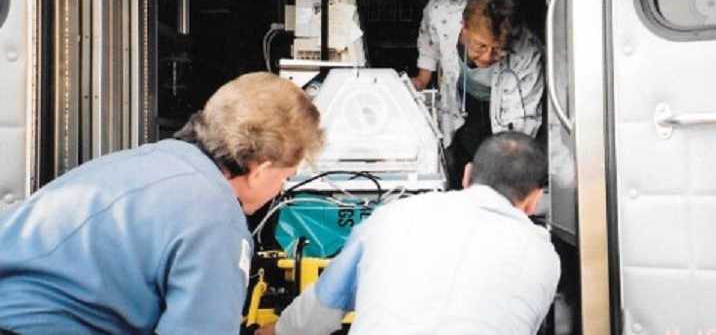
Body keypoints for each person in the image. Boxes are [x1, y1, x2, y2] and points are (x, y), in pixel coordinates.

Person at [0, 72, 323, 334]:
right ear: (261, 169)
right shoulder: (216, 217)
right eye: (285, 177)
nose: (280, 189)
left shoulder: (143, 161)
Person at [261, 131, 560, 335]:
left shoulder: (394, 216)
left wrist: (276, 329)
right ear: (534, 200)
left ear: (467, 174)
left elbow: (319, 311)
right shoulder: (544, 258)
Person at [411, 0, 544, 189]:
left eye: (499, 49)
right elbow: (429, 38)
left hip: (500, 102)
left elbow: (518, 131)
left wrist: (495, 173)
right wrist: (423, 77)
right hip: (462, 94)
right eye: (480, 46)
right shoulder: (441, 13)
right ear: (464, 28)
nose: (487, 57)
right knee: (453, 154)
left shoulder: (526, 53)